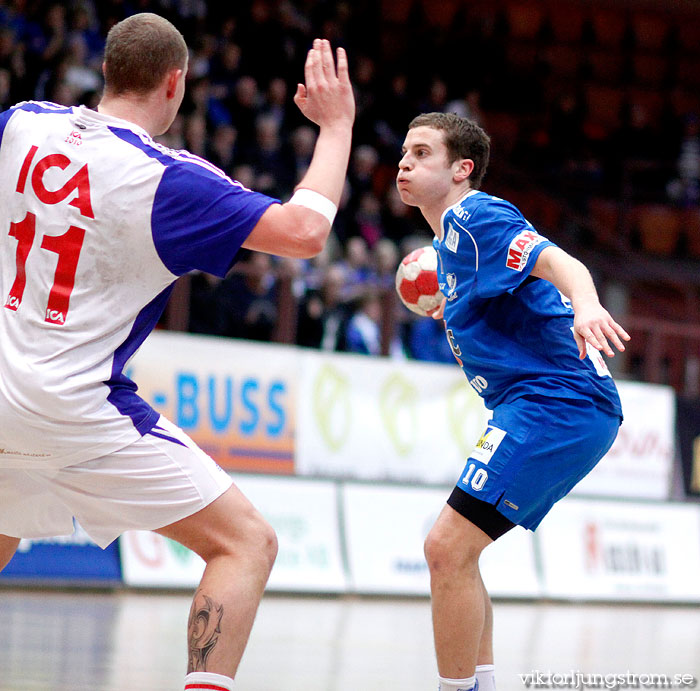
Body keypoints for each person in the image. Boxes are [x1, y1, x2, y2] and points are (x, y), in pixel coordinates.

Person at [0, 13, 354, 691]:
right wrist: (335, 127)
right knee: (246, 542)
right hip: (74, 408)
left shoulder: (20, 123)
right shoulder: (170, 180)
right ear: (175, 83)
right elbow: (306, 231)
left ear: (104, 70)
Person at [395, 112, 629, 691]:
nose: (404, 162)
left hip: (561, 399)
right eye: (404, 152)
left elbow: (557, 260)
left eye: (422, 153)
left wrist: (586, 302)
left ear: (461, 169)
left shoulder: (476, 214)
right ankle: (481, 682)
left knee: (446, 548)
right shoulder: (449, 247)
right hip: (540, 402)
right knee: (454, 550)